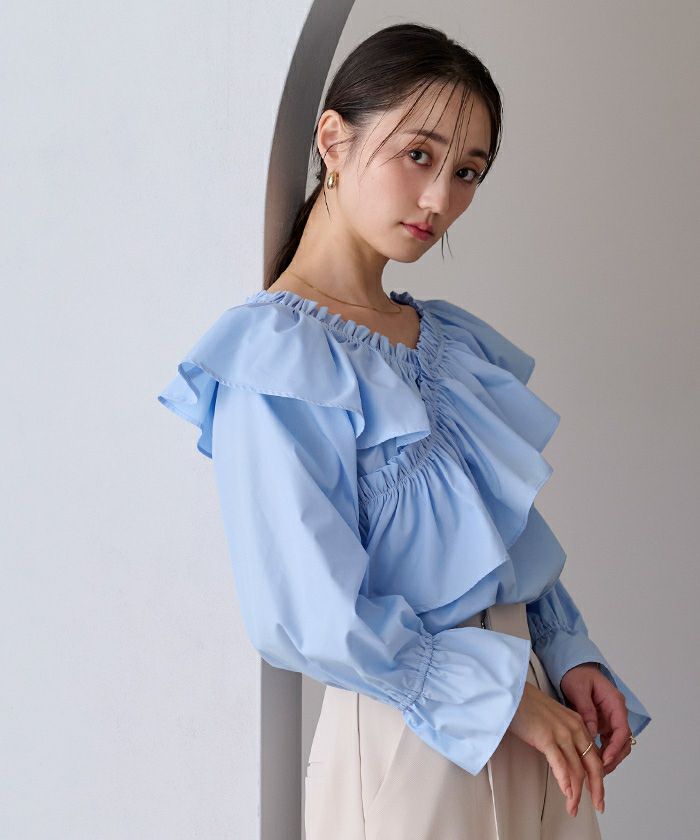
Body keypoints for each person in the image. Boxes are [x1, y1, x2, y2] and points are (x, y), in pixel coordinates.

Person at [157, 22, 651, 840]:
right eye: (418, 155)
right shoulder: (276, 358)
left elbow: (501, 545)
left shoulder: (450, 345)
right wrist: (498, 699)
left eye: (467, 172)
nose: (440, 200)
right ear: (334, 140)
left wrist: (570, 653)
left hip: (538, 723)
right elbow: (303, 610)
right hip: (413, 742)